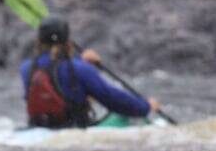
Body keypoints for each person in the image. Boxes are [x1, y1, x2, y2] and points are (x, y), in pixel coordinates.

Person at [19, 15, 160, 128]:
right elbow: (112, 99)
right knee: (130, 119)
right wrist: (146, 107)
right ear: (68, 41)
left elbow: (55, 68)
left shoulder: (26, 68)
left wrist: (81, 60)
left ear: (38, 40)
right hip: (73, 130)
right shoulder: (80, 69)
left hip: (38, 128)